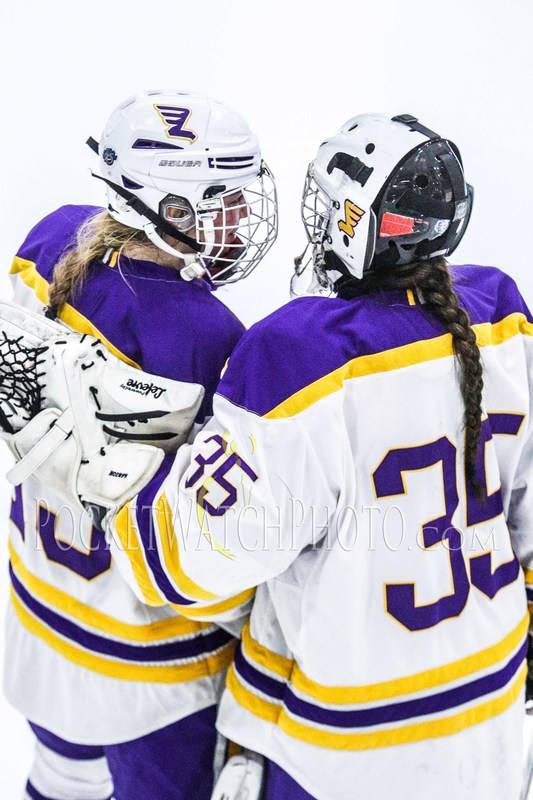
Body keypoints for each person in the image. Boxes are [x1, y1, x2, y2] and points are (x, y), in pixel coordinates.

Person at [3, 112, 532, 800]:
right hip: (491, 708)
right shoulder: (503, 315)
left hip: (336, 741)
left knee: (63, 778)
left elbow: (191, 564)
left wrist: (97, 473)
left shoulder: (295, 354)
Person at [5, 89, 277, 800]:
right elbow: (220, 527)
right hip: (151, 665)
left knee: (60, 781)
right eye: (223, 199)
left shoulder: (50, 239)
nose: (241, 216)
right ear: (168, 205)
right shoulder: (207, 334)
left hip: (39, 613)